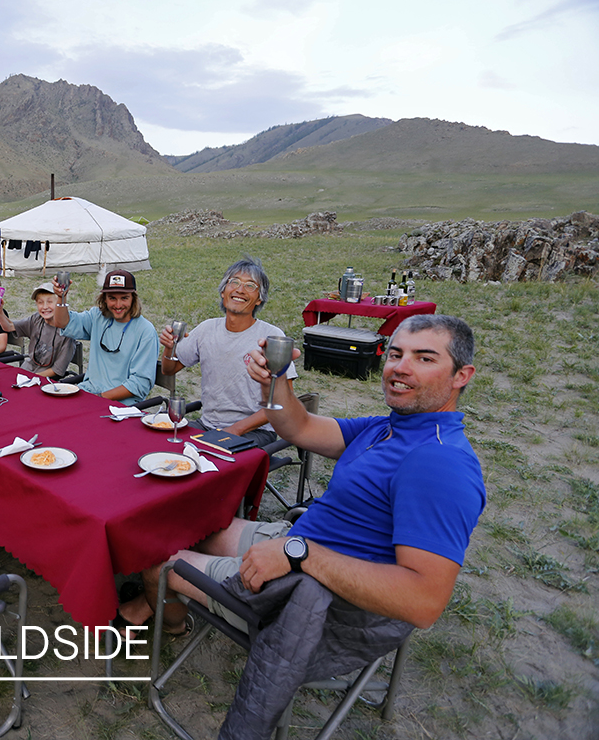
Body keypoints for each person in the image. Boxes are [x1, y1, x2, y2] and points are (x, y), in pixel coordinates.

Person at [117, 314, 485, 644]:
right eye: (395, 354)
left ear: (461, 376)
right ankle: (158, 599)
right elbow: (302, 426)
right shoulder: (388, 428)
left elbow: (422, 602)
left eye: (424, 358)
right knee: (186, 525)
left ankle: (173, 626)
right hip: (303, 544)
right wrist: (274, 383)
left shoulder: (440, 463)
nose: (401, 368)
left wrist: (302, 555)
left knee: (158, 564)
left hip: (310, 596)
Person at [160, 256, 296, 447]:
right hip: (207, 426)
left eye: (250, 285)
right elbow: (169, 369)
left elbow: (285, 400)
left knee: (210, 461)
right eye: (234, 282)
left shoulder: (271, 337)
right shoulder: (207, 329)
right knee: (163, 446)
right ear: (223, 292)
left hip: (255, 431)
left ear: (259, 299)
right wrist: (169, 346)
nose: (240, 289)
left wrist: (235, 430)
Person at [51, 270, 158, 404]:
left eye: (124, 298)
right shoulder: (98, 317)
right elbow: (62, 323)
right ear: (104, 299)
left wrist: (100, 397)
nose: (118, 305)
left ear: (133, 298)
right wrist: (62, 297)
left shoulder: (146, 331)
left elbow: (140, 383)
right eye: (112, 298)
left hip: (120, 405)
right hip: (89, 393)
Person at [0, 281, 77, 378]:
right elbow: (9, 327)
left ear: (59, 302)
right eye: (40, 302)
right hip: (26, 371)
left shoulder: (67, 332)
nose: (45, 307)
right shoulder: (36, 319)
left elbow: (57, 370)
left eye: (50, 302)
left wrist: (32, 377)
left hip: (46, 380)